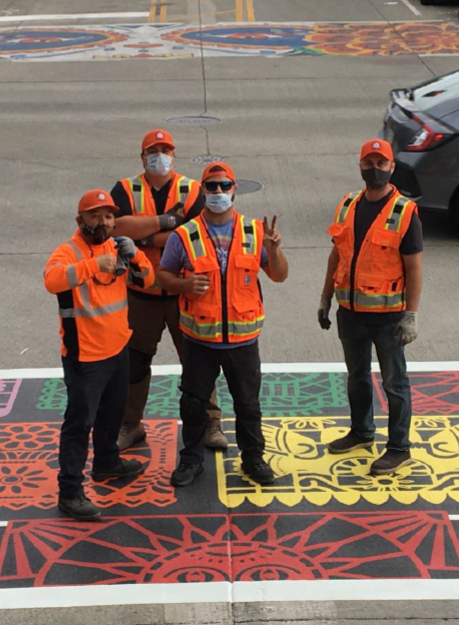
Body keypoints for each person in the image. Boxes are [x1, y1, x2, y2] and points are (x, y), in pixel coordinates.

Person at [156, 162, 289, 487]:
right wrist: (185, 285)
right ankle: (191, 460)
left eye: (224, 186)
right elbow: (163, 275)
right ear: (203, 191)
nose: (218, 192)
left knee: (248, 403)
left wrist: (274, 250)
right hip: (200, 340)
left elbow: (279, 275)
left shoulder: (255, 231)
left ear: (234, 189)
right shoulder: (184, 235)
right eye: (212, 186)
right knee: (193, 403)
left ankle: (253, 458)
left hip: (243, 341)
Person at [43, 189, 156, 521]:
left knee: (112, 413)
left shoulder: (116, 247)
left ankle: (106, 463)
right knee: (79, 424)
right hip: (85, 357)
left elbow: (147, 281)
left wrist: (136, 256)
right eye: (95, 216)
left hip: (118, 348)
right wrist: (93, 265)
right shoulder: (68, 252)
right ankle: (70, 492)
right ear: (81, 220)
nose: (103, 222)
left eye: (108, 216)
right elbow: (51, 280)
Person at [111, 129, 225, 452]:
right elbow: (117, 228)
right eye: (152, 151)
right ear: (142, 156)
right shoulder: (125, 189)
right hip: (140, 293)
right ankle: (131, 424)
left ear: (174, 155)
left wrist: (143, 236)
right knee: (134, 363)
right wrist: (165, 221)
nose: (159, 156)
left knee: (197, 363)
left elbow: (194, 233)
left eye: (165, 150)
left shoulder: (191, 190)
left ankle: (210, 422)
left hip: (184, 292)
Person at [317, 139, 424, 476]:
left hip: (388, 317)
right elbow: (337, 253)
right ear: (360, 165)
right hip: (350, 312)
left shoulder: (404, 211)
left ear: (392, 167)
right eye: (369, 163)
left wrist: (411, 315)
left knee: (395, 384)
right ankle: (362, 433)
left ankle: (398, 448)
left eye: (381, 163)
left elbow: (414, 267)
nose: (374, 169)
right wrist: (325, 297)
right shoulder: (348, 204)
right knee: (357, 377)